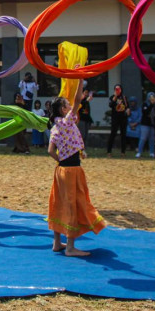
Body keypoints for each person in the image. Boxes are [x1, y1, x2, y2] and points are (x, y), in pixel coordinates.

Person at [46, 73, 106, 256]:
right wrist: (80, 80)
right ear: (63, 110)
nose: (71, 106)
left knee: (59, 203)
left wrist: (61, 161)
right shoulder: (67, 121)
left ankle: (57, 243)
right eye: (67, 105)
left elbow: (50, 151)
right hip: (72, 170)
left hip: (61, 169)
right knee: (73, 204)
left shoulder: (55, 126)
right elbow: (78, 98)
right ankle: (70, 247)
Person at [107, 84, 129, 157]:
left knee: (123, 134)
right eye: (116, 89)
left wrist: (128, 110)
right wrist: (115, 97)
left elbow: (127, 107)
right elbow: (110, 105)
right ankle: (109, 151)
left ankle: (123, 152)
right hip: (115, 118)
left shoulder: (124, 97)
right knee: (113, 134)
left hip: (123, 118)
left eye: (119, 89)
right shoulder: (112, 97)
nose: (117, 90)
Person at [137, 92, 155, 158]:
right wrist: (151, 104)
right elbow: (145, 112)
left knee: (152, 139)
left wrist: (154, 105)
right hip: (145, 124)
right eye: (150, 97)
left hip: (152, 124)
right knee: (143, 138)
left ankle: (152, 152)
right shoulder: (145, 104)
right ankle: (139, 152)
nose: (151, 98)